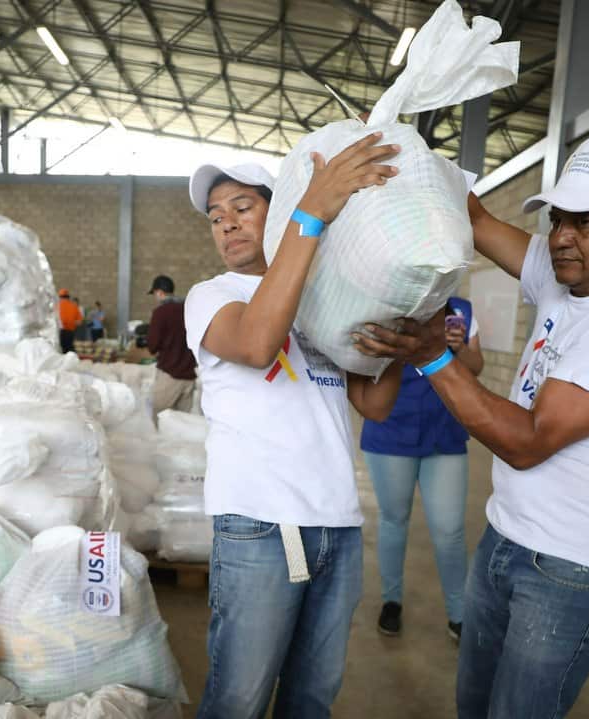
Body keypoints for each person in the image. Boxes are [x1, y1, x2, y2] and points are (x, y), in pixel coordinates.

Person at [353, 128, 589, 719]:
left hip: (573, 573)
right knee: (475, 706)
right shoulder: (571, 274)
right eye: (557, 220)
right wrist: (403, 144)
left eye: (584, 222)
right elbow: (478, 218)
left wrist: (431, 355)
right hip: (507, 539)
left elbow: (528, 441)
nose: (562, 239)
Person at [185, 135, 404, 719]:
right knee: (239, 699)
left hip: (339, 525)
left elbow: (373, 401)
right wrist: (314, 211)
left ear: (275, 211)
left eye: (243, 208)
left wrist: (407, 332)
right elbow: (258, 344)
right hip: (261, 525)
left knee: (311, 699)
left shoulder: (326, 298)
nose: (226, 225)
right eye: (216, 216)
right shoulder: (213, 296)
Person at [360, 297, 485, 641]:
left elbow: (476, 365)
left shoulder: (459, 311)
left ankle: (459, 613)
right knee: (393, 520)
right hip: (391, 428)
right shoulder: (383, 303)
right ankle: (391, 601)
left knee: (450, 530)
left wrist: (459, 349)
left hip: (444, 432)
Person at [146, 275, 198, 417]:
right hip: (189, 377)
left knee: (157, 420)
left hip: (170, 375)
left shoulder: (161, 312)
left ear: (159, 292)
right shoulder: (189, 309)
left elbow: (152, 346)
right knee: (180, 426)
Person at [57, 288, 82, 354]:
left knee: (61, 351)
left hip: (59, 332)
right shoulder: (74, 306)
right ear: (68, 297)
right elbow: (79, 322)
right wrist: (71, 322)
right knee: (69, 350)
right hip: (70, 332)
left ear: (60, 297)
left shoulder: (56, 306)